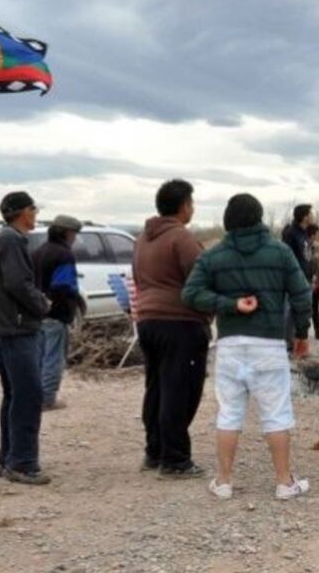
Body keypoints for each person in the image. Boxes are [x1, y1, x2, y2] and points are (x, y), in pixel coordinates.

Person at [182, 193, 312, 500]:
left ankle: (224, 481)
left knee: (229, 413)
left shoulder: (213, 255)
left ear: (228, 221)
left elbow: (190, 294)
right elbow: (302, 295)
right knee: (276, 414)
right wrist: (301, 333)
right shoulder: (280, 252)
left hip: (229, 344)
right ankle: (284, 482)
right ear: (259, 218)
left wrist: (229, 304)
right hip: (268, 343)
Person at [133, 179, 212, 479]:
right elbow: (200, 279)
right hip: (180, 322)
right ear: (184, 206)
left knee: (155, 388)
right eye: (191, 202)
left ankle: (154, 451)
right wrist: (211, 309)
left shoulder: (143, 238)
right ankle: (176, 459)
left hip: (148, 320)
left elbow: (139, 279)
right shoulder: (181, 238)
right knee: (180, 391)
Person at [0, 191, 52, 485]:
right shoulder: (12, 240)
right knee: (28, 395)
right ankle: (22, 463)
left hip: (5, 328)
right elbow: (17, 283)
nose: (35, 214)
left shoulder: (2, 239)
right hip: (16, 330)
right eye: (33, 209)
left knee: (14, 394)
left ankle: (7, 458)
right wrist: (41, 304)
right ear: (22, 212)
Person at [32, 214, 84, 411]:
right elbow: (63, 286)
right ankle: (48, 399)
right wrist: (73, 303)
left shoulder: (38, 251)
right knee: (54, 358)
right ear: (66, 233)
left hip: (38, 314)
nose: (75, 238)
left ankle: (36, 396)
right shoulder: (64, 255)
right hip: (57, 314)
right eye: (74, 234)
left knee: (39, 357)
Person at [281, 204, 314, 353]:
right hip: (293, 278)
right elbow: (286, 256)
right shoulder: (291, 233)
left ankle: (298, 344)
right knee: (289, 310)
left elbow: (306, 256)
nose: (312, 216)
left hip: (305, 277)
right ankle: (286, 344)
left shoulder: (305, 233)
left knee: (304, 312)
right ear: (304, 216)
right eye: (310, 213)